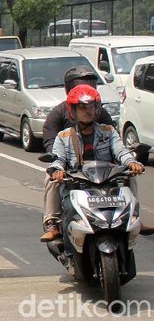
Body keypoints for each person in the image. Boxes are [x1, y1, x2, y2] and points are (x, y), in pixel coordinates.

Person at [42, 85, 153, 241]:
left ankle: (134, 217)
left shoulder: (108, 131)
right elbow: (58, 159)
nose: (87, 111)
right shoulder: (63, 136)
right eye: (82, 107)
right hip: (77, 183)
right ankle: (52, 224)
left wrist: (131, 162)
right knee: (51, 179)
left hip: (107, 182)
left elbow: (121, 151)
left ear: (97, 109)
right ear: (73, 111)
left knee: (130, 174)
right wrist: (57, 171)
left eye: (91, 106)